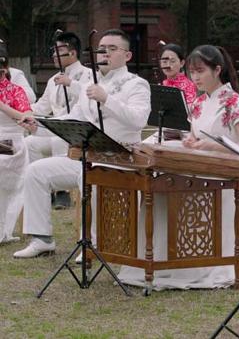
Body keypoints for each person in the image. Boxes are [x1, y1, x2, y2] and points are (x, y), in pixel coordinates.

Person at [117, 45, 239, 289]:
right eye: (192, 72)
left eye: (200, 71)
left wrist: (211, 146)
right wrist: (190, 142)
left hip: (223, 174)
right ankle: (157, 259)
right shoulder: (200, 102)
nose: (195, 78)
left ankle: (197, 260)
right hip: (197, 166)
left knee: (166, 188)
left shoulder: (235, 102)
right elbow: (194, 136)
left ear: (218, 70)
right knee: (155, 190)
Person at [13, 29, 151, 258]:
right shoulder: (90, 84)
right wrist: (38, 124)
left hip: (121, 159)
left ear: (127, 56)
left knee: (88, 176)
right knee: (36, 171)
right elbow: (72, 119)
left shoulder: (136, 84)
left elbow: (139, 119)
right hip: (88, 157)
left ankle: (92, 243)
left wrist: (107, 99)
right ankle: (42, 239)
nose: (104, 52)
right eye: (101, 48)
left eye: (112, 48)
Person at [23, 32, 93, 211]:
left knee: (58, 138)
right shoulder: (52, 80)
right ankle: (42, 189)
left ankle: (63, 193)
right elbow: (42, 107)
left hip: (77, 133)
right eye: (53, 51)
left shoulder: (88, 75)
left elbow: (91, 100)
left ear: (72, 53)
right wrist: (25, 113)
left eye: (58, 50)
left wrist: (71, 83)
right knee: (29, 143)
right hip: (54, 129)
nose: (54, 55)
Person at [0, 58, 32, 244]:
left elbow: (28, 119)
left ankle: (3, 228)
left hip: (10, 143)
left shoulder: (15, 91)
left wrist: (3, 107)